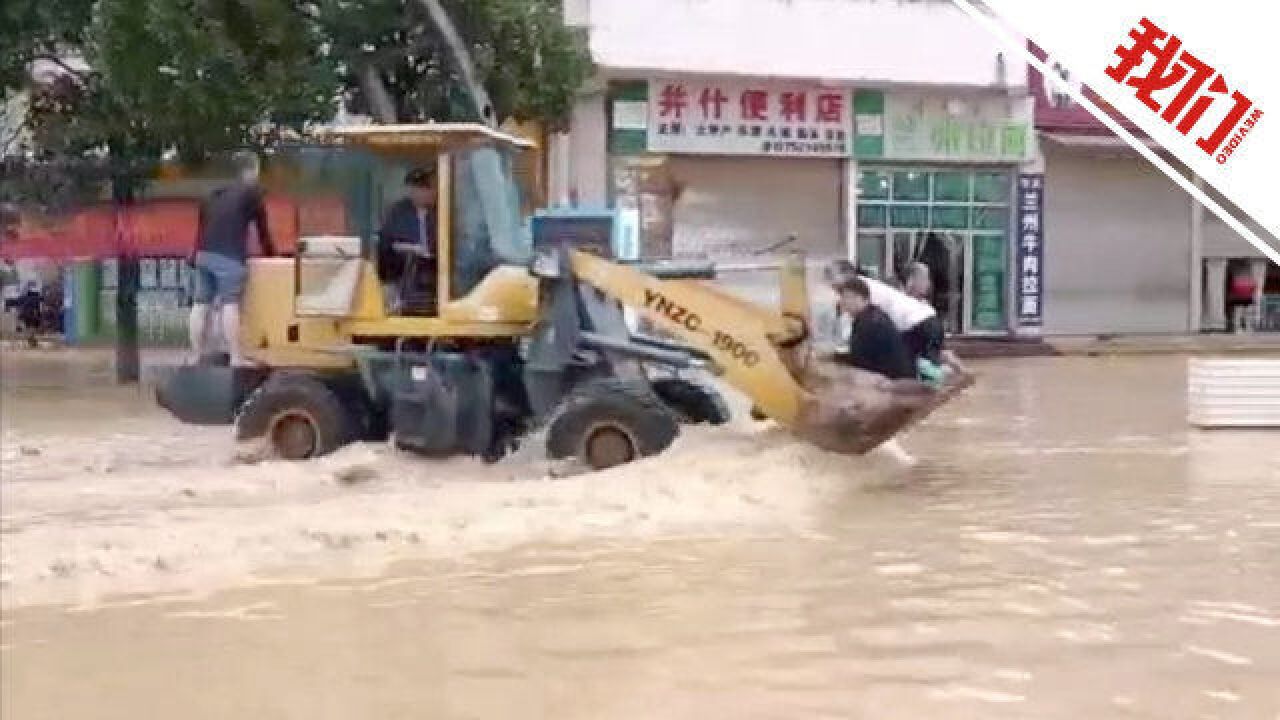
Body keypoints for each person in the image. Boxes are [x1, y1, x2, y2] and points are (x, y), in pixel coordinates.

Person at [189, 150, 274, 366]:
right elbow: (263, 231)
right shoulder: (251, 193)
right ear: (251, 170)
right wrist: (273, 256)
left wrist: (195, 253)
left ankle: (196, 355)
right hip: (229, 256)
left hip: (203, 255)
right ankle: (236, 357)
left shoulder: (212, 194)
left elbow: (202, 228)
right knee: (230, 305)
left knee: (201, 304)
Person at [831, 275, 917, 380]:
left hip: (891, 382)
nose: (843, 302)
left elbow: (859, 363)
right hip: (900, 377)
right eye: (842, 297)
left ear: (862, 298)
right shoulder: (873, 315)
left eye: (847, 297)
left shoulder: (867, 323)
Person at [377, 167, 438, 313]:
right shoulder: (398, 212)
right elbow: (385, 244)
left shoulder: (443, 210)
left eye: (428, 188)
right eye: (418, 188)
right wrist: (409, 248)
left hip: (437, 275)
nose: (424, 193)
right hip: (403, 273)